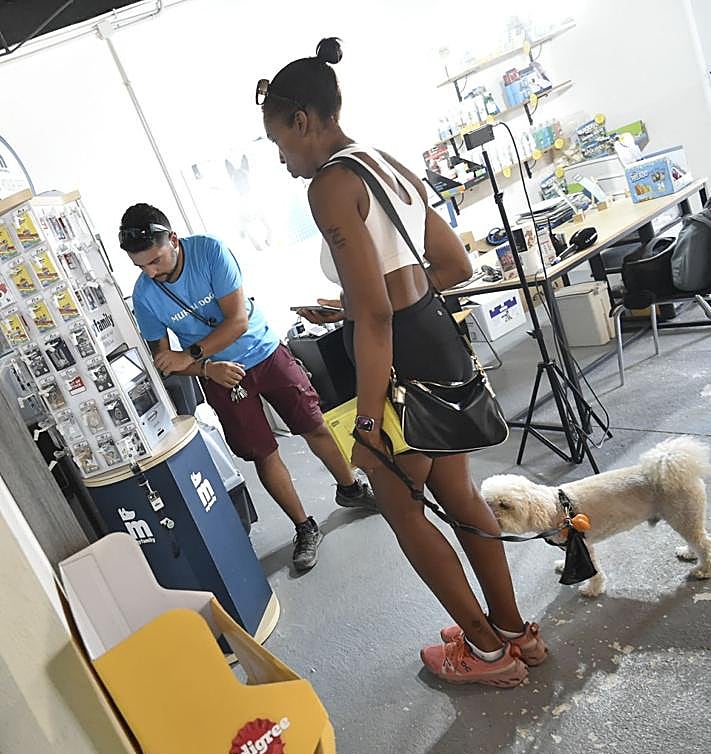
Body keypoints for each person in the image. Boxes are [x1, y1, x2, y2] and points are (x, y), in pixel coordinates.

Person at [258, 38, 548, 687]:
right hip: (435, 343)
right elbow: (451, 266)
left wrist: (364, 422)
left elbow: (379, 316)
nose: (283, 162)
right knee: (456, 494)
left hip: (392, 362)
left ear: (302, 121)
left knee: (401, 508)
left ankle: (486, 654)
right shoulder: (385, 164)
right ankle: (511, 631)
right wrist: (361, 303)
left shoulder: (331, 184)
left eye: (279, 144)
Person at [118, 204, 377, 572]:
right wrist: (207, 369)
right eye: (141, 266)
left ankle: (350, 488)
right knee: (263, 453)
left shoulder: (209, 251)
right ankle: (304, 527)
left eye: (155, 260)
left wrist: (193, 355)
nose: (150, 272)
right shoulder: (145, 295)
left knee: (314, 425)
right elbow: (165, 359)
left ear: (173, 240)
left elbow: (237, 321)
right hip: (220, 376)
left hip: (265, 352)